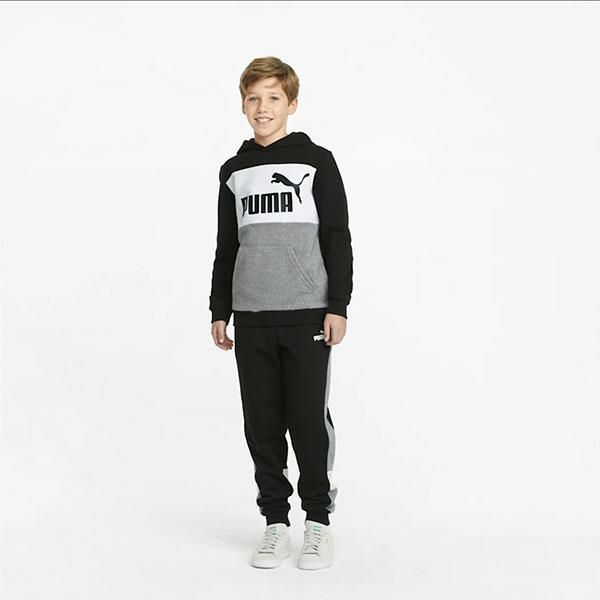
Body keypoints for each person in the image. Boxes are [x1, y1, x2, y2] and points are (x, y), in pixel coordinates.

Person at [209, 56, 353, 570]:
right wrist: (219, 308)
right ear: (242, 105)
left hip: (307, 314)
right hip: (251, 316)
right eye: (253, 98)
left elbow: (336, 237)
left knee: (308, 422)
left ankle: (318, 522)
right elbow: (228, 245)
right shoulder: (234, 172)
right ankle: (275, 522)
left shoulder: (318, 161)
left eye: (273, 97)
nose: (262, 107)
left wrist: (338, 305)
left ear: (292, 103)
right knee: (262, 424)